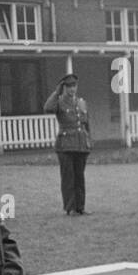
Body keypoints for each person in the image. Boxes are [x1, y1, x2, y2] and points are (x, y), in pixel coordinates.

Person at [44, 73, 91, 214]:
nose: (72, 89)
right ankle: (70, 208)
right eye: (69, 86)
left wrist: (89, 141)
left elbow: (87, 123)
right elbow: (47, 108)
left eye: (74, 86)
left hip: (81, 144)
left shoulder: (82, 102)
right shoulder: (58, 102)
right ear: (64, 87)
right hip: (65, 145)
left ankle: (80, 207)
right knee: (68, 178)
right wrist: (56, 92)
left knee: (79, 178)